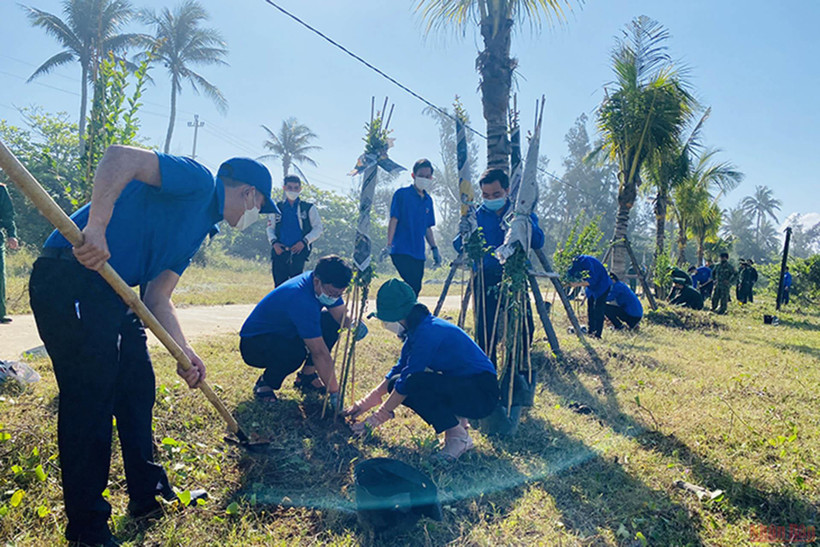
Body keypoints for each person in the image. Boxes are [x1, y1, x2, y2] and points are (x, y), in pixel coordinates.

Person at [29, 146, 277, 546]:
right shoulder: (198, 182)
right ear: (249, 193)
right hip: (70, 274)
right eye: (260, 206)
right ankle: (87, 529)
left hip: (115, 292)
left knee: (137, 390)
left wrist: (185, 352)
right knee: (91, 400)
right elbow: (118, 157)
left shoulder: (200, 230)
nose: (256, 216)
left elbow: (158, 296)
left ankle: (148, 495)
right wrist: (96, 227)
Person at [345, 279, 498, 462]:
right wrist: (364, 403)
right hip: (465, 387)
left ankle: (459, 438)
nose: (385, 324)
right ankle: (458, 429)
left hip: (481, 395)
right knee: (398, 382)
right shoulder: (417, 332)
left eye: (386, 319)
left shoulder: (428, 333)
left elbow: (408, 380)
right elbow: (398, 370)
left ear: (400, 315)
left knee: (413, 383)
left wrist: (377, 418)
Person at [240, 255, 363, 404]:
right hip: (256, 345)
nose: (334, 297)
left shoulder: (321, 284)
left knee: (330, 322)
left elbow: (340, 315)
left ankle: (307, 376)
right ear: (317, 281)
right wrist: (334, 393)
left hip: (286, 332)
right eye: (332, 293)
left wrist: (353, 323)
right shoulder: (301, 298)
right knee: (295, 353)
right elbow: (319, 352)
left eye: (339, 294)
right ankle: (266, 382)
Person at [453, 168, 545, 361]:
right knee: (485, 330)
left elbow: (538, 241)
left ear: (507, 190)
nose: (491, 199)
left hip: (514, 275)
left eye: (496, 194)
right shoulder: (477, 215)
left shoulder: (520, 213)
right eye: (486, 195)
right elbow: (459, 245)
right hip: (485, 276)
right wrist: (463, 231)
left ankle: (516, 367)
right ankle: (488, 368)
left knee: (523, 326)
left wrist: (527, 225)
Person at [382, 158, 440, 295]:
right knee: (410, 286)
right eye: (421, 176)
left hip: (418, 252)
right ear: (413, 175)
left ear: (431, 178)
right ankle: (398, 307)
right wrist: (389, 244)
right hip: (401, 249)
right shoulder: (402, 195)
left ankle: (405, 309)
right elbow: (394, 219)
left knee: (416, 288)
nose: (424, 179)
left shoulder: (428, 200)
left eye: (427, 176)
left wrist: (434, 248)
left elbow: (427, 227)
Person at [266, 174, 323, 286]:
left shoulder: (308, 208)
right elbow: (270, 228)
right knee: (279, 287)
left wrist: (304, 242)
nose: (293, 190)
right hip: (279, 252)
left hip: (298, 253)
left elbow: (318, 228)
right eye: (290, 187)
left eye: (296, 188)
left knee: (296, 287)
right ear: (284, 188)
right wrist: (274, 243)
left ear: (300, 189)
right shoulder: (277, 207)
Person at [567, 255, 612, 338]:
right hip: (591, 289)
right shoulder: (575, 263)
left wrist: (576, 284)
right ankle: (591, 331)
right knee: (590, 309)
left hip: (602, 286)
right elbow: (571, 274)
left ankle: (598, 334)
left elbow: (591, 281)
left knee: (599, 309)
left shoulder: (586, 262)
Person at [0, 182, 19, 324]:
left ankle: (0, 313)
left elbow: (7, 215)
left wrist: (12, 235)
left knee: (0, 275)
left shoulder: (1, 190)